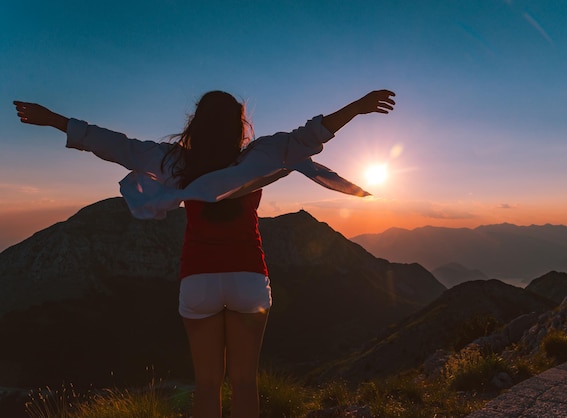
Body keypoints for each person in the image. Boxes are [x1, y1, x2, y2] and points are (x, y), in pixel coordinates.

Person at [13, 89, 395, 418]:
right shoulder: (259, 155)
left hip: (197, 279)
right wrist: (357, 106)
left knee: (207, 385)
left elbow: (116, 145)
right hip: (248, 278)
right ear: (238, 125)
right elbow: (311, 134)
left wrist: (56, 120)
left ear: (196, 123)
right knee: (245, 383)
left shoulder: (176, 161)